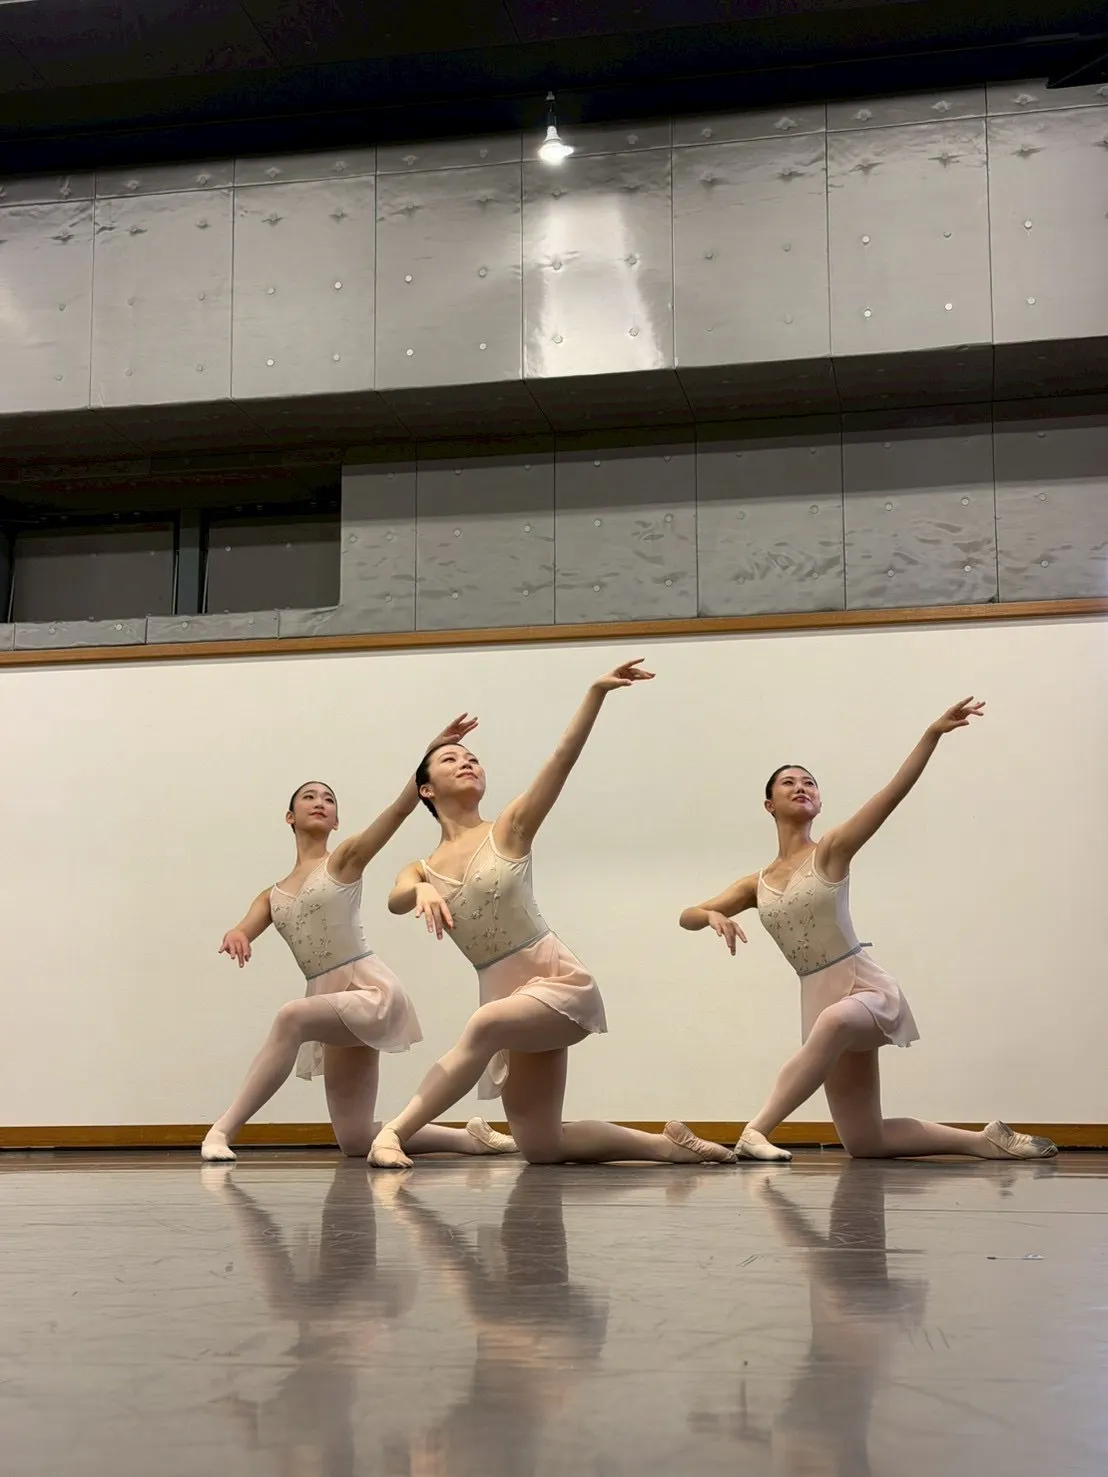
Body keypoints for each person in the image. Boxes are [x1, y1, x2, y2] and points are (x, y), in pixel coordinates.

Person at [367, 659, 734, 1169]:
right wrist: (421, 889)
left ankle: (392, 1133)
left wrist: (595, 694)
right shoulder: (421, 866)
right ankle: (668, 1147)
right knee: (541, 1147)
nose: (468, 762)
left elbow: (562, 758)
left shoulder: (510, 827)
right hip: (504, 994)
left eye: (473, 758)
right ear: (425, 789)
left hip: (556, 983)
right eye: (451, 759)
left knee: (484, 1024)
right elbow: (396, 897)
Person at [679, 698, 1058, 1163]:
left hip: (862, 988)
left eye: (809, 783)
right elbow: (687, 915)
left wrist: (931, 735)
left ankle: (754, 1130)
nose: (801, 787)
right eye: (789, 782)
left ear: (819, 801)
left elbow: (892, 793)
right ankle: (983, 1141)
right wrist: (711, 915)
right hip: (817, 999)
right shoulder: (754, 884)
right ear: (769, 804)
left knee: (836, 1021)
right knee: (865, 1141)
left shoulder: (832, 850)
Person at [200, 714, 516, 1163]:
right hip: (330, 1001)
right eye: (309, 797)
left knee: (292, 1016)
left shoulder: (345, 858)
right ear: (290, 817)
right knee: (354, 1140)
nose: (320, 802)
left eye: (329, 799)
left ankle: (220, 1131)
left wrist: (430, 752)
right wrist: (237, 934)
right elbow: (245, 925)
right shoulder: (271, 895)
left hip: (369, 992)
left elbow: (399, 810)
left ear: (336, 820)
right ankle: (469, 1139)